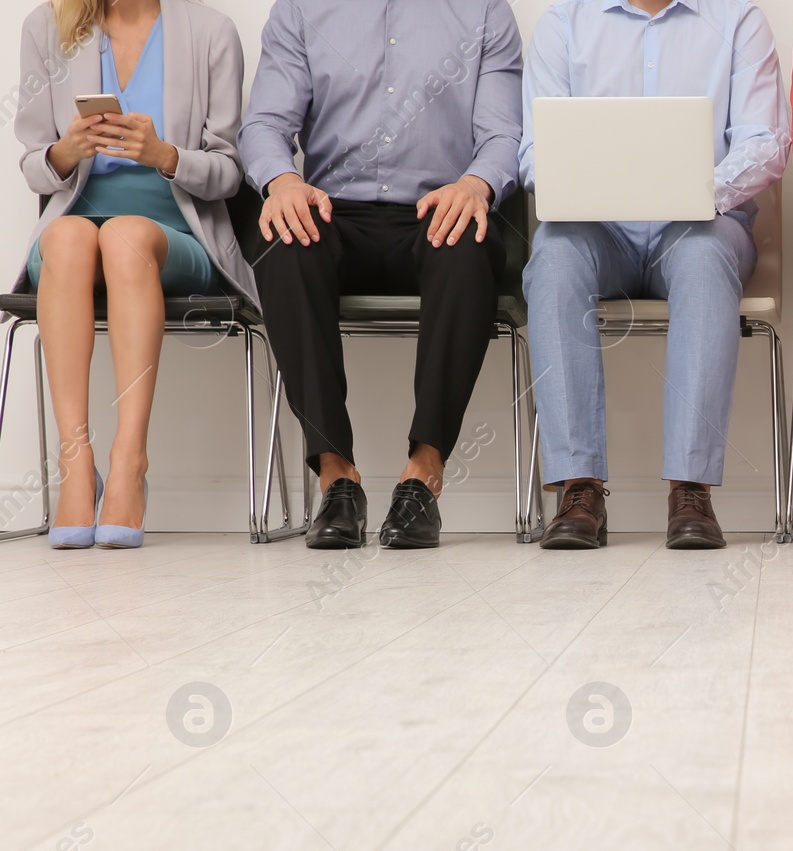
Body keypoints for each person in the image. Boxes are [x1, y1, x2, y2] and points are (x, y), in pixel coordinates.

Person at [239, 0, 522, 550]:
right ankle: (336, 477)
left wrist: (473, 186)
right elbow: (266, 124)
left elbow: (503, 135)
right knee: (283, 243)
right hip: (332, 208)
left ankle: (422, 475)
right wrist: (282, 181)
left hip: (439, 205)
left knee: (468, 245)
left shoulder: (484, 10)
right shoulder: (300, 9)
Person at [522, 0, 787, 550]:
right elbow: (533, 153)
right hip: (598, 230)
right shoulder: (564, 23)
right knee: (552, 255)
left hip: (700, 225)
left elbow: (765, 143)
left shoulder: (739, 19)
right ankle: (579, 486)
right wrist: (589, 186)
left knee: (704, 257)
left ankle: (690, 489)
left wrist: (693, 192)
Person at [14, 0, 254, 550]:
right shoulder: (46, 26)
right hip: (70, 236)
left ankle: (130, 459)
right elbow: (32, 165)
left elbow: (230, 173)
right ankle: (76, 464)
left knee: (123, 236)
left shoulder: (211, 32)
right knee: (72, 238)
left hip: (174, 236)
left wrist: (166, 155)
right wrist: (66, 151)